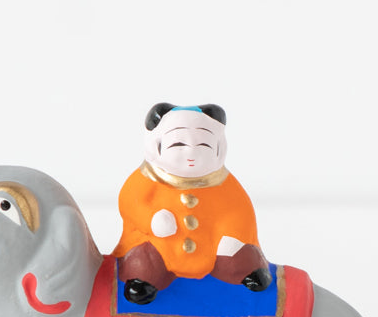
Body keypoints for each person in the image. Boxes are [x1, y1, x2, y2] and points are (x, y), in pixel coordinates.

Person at [113, 103, 271, 305]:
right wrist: (152, 220)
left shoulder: (223, 182)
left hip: (211, 249)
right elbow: (131, 204)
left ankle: (249, 274)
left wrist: (231, 236)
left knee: (240, 256)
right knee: (143, 261)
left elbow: (239, 212)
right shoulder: (146, 179)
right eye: (178, 145)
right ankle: (142, 282)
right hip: (161, 246)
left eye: (203, 145)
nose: (191, 153)